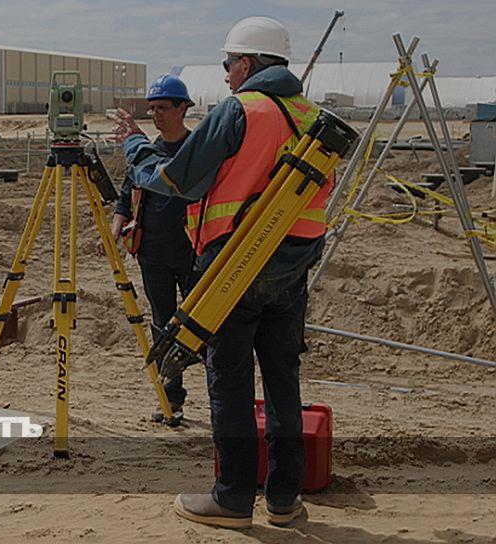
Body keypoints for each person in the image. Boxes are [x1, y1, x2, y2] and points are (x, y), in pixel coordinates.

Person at [113, 16, 328, 529]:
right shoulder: (311, 115)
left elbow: (176, 178)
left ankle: (232, 499)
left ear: (247, 64)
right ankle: (284, 499)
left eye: (229, 64)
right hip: (292, 270)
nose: (227, 74)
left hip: (235, 269)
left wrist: (135, 146)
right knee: (283, 383)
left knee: (229, 383)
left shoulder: (242, 109)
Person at [110, 75, 195, 427]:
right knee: (163, 325)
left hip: (193, 253)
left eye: (163, 107)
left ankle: (220, 396)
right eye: (152, 108)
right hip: (153, 253)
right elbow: (126, 195)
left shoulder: (196, 151)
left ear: (182, 108)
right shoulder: (146, 153)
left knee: (201, 326)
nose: (156, 114)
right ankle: (171, 399)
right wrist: (114, 230)